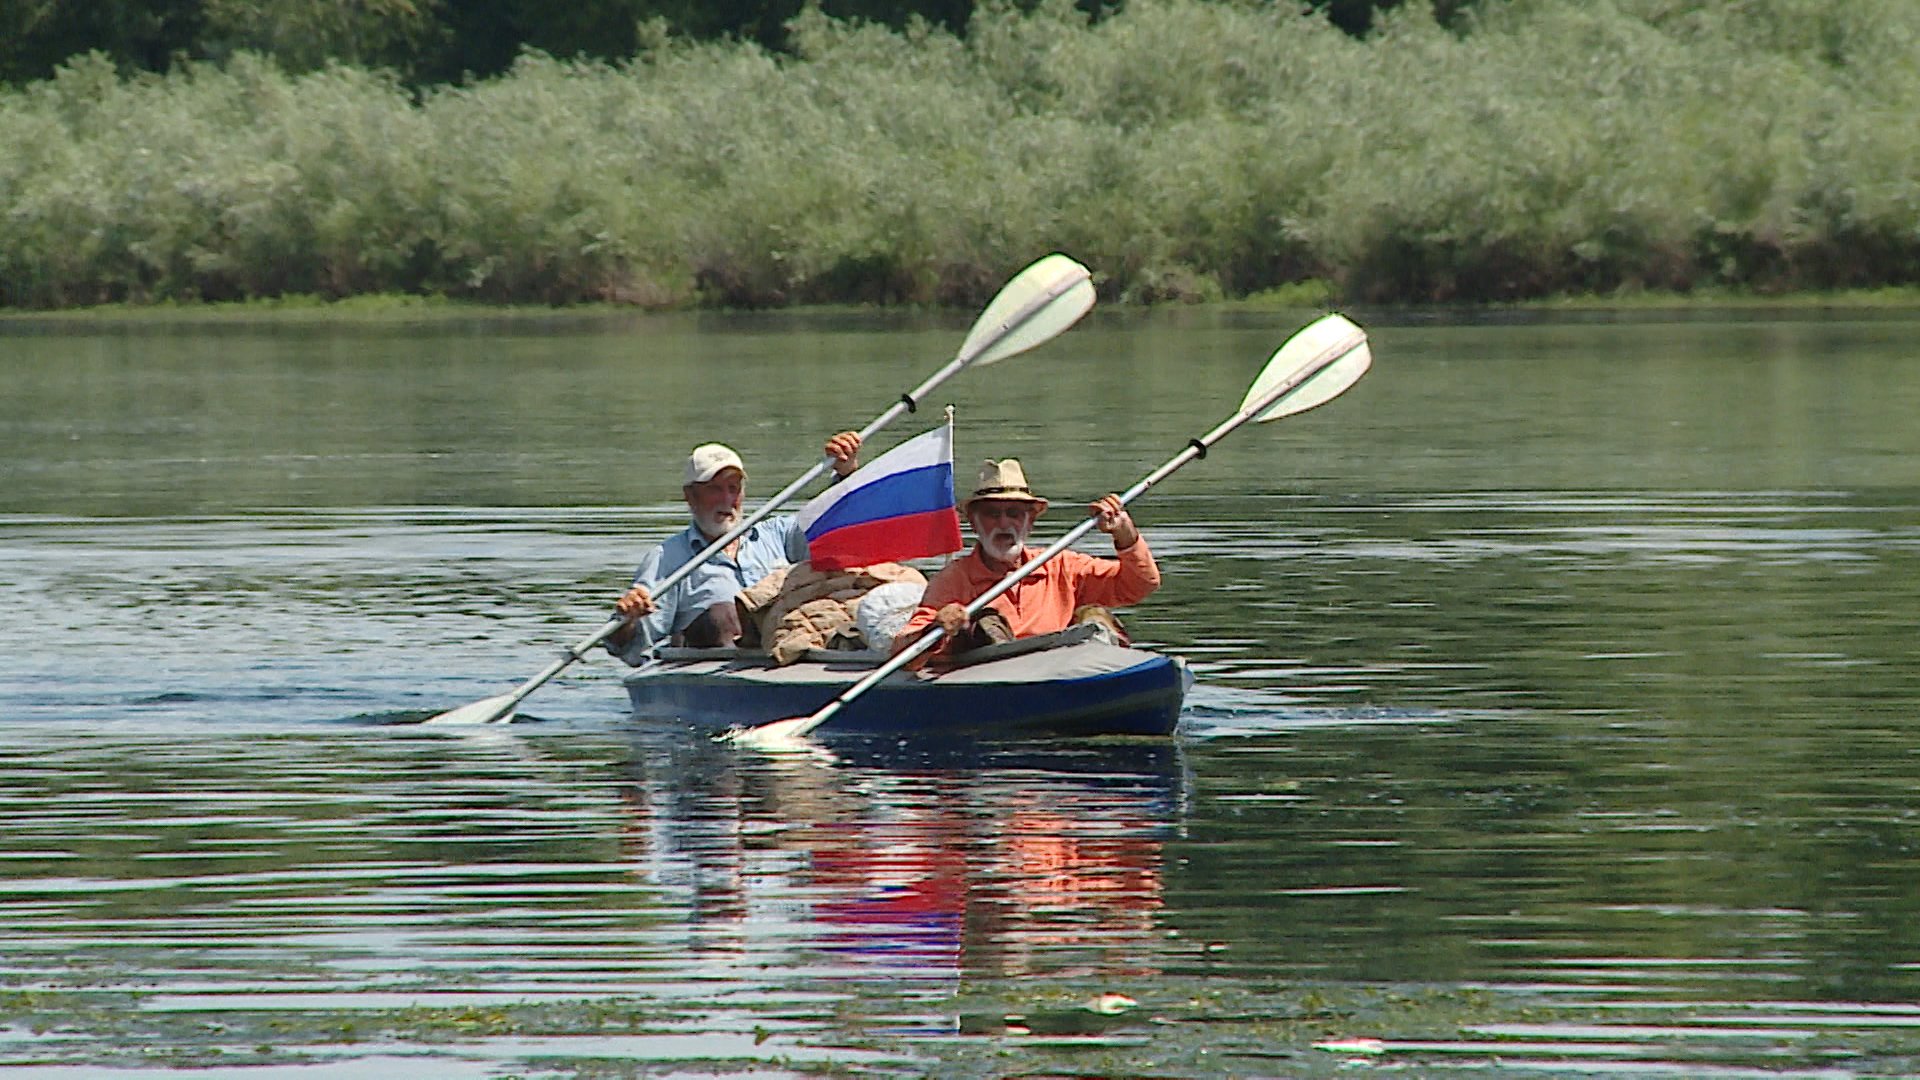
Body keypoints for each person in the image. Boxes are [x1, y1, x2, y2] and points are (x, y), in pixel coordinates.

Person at [607, 432, 861, 661]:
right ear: (690, 496)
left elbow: (832, 528)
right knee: (724, 614)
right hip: (717, 667)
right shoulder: (667, 558)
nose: (727, 500)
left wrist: (845, 473)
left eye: (733, 488)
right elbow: (629, 645)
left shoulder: (778, 534)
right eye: (715, 489)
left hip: (789, 654)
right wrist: (628, 618)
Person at [893, 459, 1159, 664]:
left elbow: (1139, 585)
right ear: (973, 522)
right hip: (994, 686)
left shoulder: (1061, 565)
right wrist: (937, 626)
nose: (1004, 523)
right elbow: (903, 653)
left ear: (1030, 522)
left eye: (1014, 513)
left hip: (1059, 674)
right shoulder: (954, 580)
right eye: (991, 514)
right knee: (985, 624)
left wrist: (1125, 534)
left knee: (1096, 619)